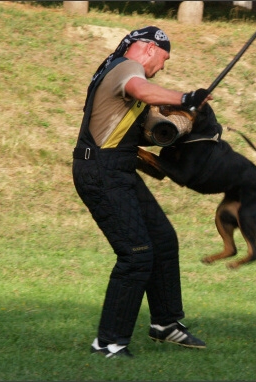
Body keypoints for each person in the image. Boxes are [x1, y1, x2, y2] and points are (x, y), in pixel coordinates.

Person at [72, 26, 212, 358]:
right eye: (163, 59)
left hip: (117, 167)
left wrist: (180, 125)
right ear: (148, 49)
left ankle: (165, 324)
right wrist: (185, 99)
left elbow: (141, 129)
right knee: (136, 255)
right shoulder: (126, 67)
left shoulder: (120, 75)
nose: (162, 66)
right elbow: (142, 88)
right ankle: (108, 343)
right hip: (102, 171)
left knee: (162, 239)